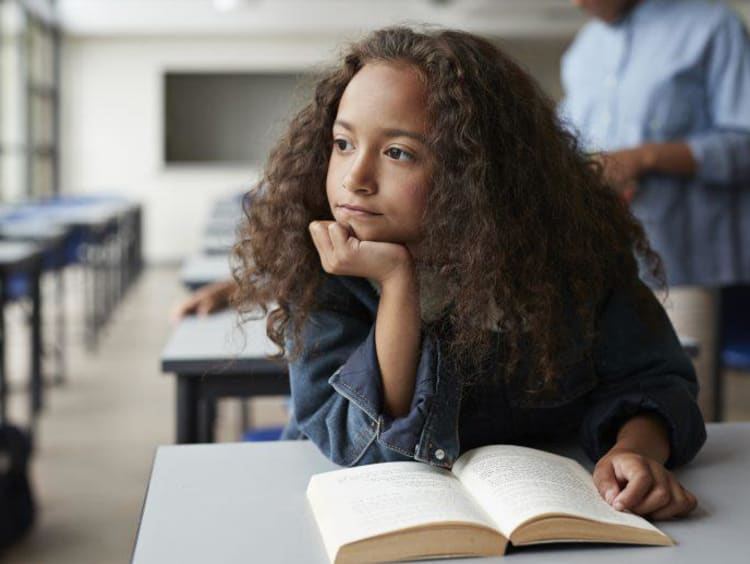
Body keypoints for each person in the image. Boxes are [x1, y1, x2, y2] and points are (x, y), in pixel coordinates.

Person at [232, 27, 706, 520]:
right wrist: (398, 286)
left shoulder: (575, 259)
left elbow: (654, 382)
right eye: (344, 142)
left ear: (478, 171)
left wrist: (637, 452)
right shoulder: (324, 274)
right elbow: (368, 448)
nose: (355, 177)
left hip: (553, 514)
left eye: (398, 152)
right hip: (369, 518)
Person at [560, 0, 750, 420]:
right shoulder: (584, 50)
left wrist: (645, 158)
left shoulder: (712, 28)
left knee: (689, 411)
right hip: (604, 271)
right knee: (626, 410)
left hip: (685, 265)